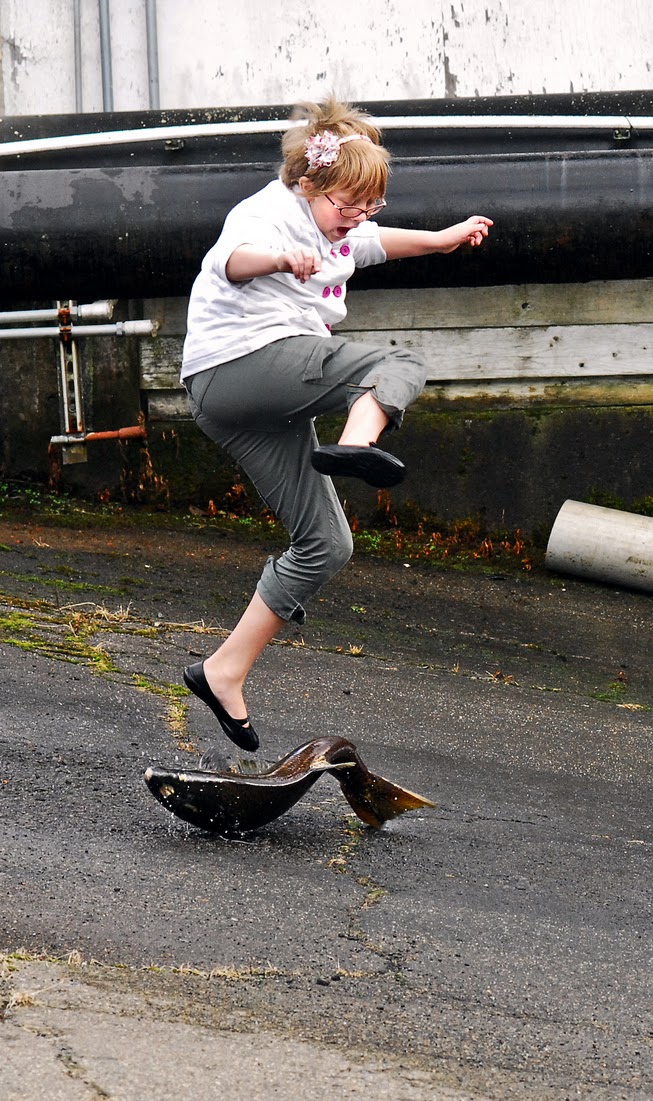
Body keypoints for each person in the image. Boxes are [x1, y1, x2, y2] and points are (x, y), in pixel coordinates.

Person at [180, 96, 493, 752]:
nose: (353, 222)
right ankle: (355, 445)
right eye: (343, 207)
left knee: (327, 543)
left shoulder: (342, 227)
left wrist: (442, 238)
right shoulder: (268, 211)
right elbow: (231, 260)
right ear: (307, 183)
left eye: (366, 207)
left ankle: (223, 671)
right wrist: (276, 260)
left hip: (249, 404)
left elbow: (379, 243)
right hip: (240, 365)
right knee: (395, 361)